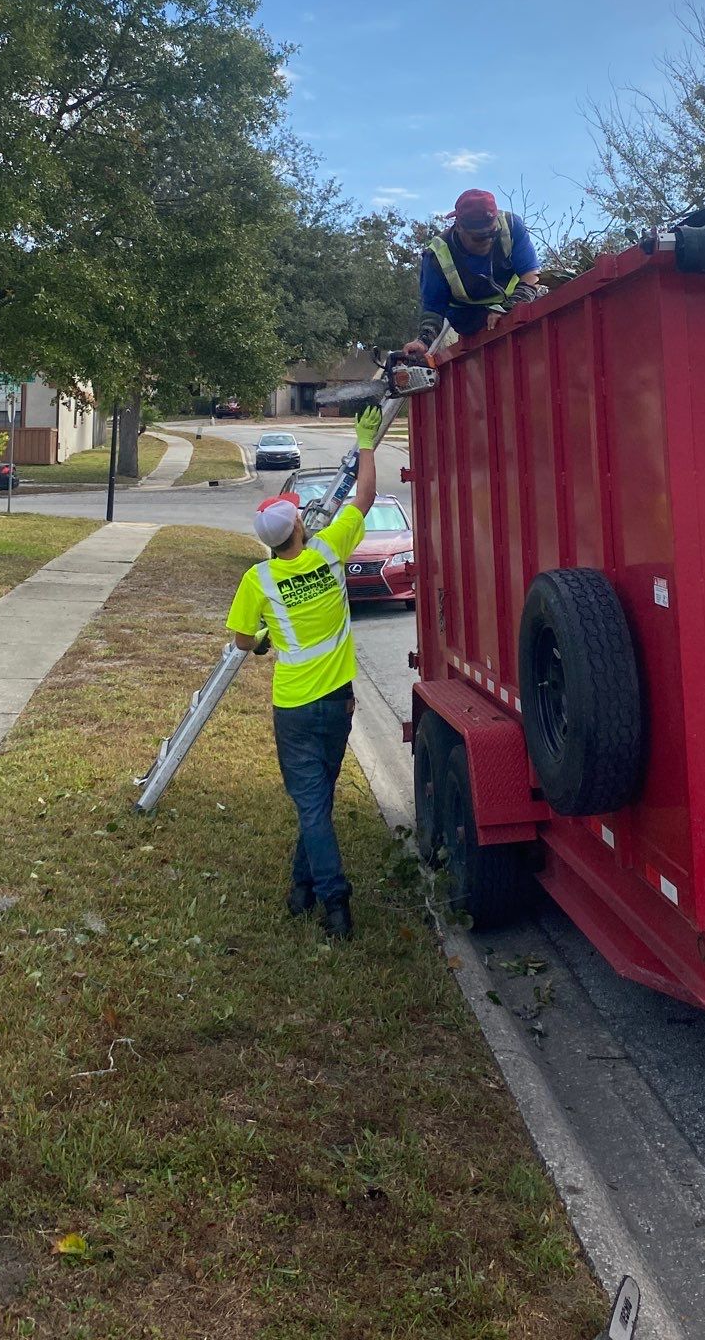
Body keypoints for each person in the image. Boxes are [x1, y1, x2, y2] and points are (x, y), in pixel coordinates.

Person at [226, 403, 382, 941]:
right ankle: (307, 891)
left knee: (311, 802)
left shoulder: (259, 581)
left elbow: (245, 641)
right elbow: (363, 496)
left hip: (293, 708)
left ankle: (330, 901)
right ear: (297, 524)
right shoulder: (329, 553)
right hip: (338, 702)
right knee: (317, 801)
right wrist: (365, 441)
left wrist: (267, 637)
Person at [406, 188, 541, 356]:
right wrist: (423, 341)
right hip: (469, 316)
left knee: (539, 306)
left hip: (514, 300)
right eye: (479, 237)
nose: (488, 241)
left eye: (492, 233)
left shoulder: (511, 226)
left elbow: (532, 275)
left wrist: (508, 307)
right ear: (459, 227)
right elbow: (433, 310)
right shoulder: (437, 256)